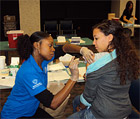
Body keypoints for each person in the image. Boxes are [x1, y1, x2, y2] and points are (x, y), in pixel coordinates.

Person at [1, 31, 94, 118]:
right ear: (37, 45)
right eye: (50, 46)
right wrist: (73, 78)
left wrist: (82, 49)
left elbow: (64, 48)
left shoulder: (42, 60)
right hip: (15, 115)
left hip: (30, 110)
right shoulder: (28, 72)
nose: (53, 49)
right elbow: (53, 103)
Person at [68, 20, 139, 119]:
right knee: (77, 99)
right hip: (123, 110)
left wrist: (80, 107)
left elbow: (88, 98)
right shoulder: (126, 56)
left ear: (110, 37)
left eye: (96, 38)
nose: (93, 42)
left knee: (77, 106)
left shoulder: (98, 67)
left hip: (104, 114)